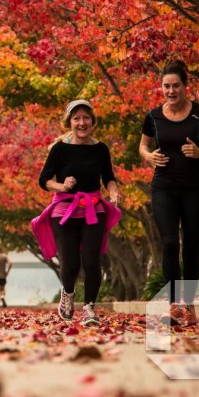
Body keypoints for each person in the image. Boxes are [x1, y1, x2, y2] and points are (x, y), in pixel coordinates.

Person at [139, 60, 199, 326]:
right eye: (166, 86)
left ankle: (188, 305)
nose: (171, 91)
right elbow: (142, 146)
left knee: (191, 248)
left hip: (194, 189)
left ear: (185, 85)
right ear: (161, 87)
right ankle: (173, 305)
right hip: (163, 188)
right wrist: (149, 157)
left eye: (175, 86)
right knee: (169, 243)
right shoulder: (153, 116)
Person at [31, 99, 122, 327]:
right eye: (77, 118)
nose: (82, 122)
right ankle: (68, 294)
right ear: (69, 122)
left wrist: (113, 191)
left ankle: (90, 308)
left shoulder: (101, 149)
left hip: (93, 208)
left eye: (86, 118)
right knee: (70, 264)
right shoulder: (60, 149)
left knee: (92, 261)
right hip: (64, 210)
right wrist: (62, 186)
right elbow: (44, 180)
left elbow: (108, 177)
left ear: (92, 121)